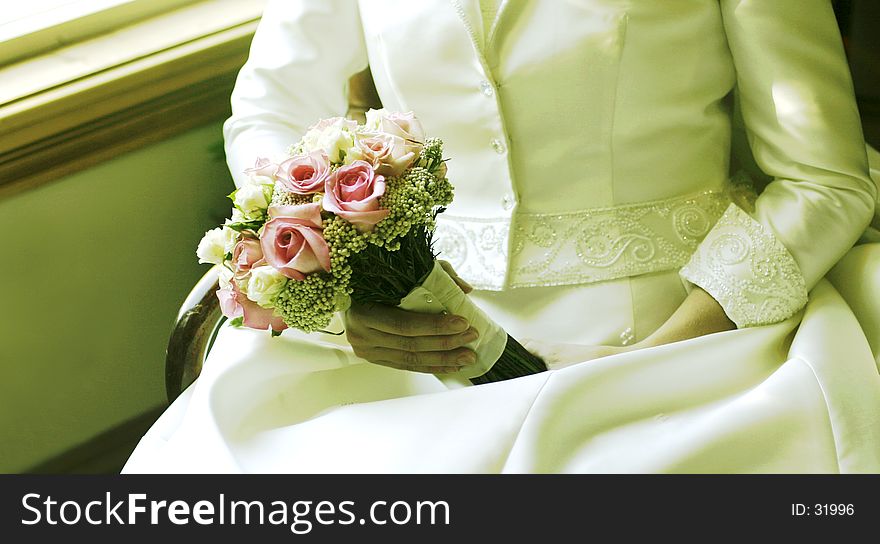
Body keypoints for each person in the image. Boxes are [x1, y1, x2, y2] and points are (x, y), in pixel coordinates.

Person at [124, 0, 880, 473]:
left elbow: (828, 181)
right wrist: (350, 289)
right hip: (418, 331)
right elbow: (269, 109)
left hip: (689, 329)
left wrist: (661, 352)